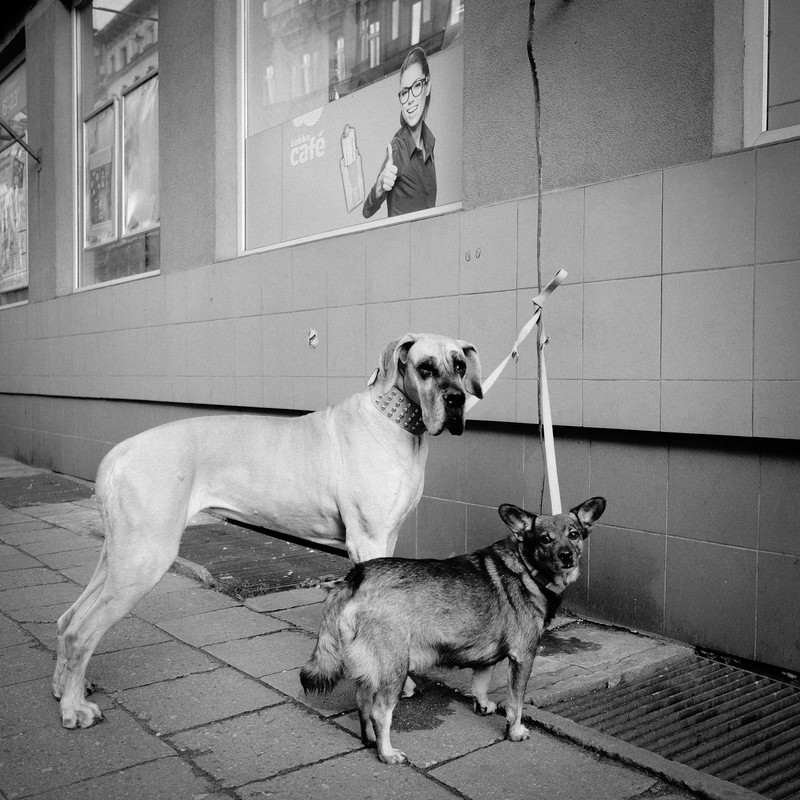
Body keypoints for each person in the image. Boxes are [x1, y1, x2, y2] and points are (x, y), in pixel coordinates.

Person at [362, 47, 437, 218]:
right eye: (404, 92)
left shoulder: (430, 144)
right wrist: (381, 185)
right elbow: (367, 210)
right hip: (403, 243)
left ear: (427, 86)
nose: (410, 99)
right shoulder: (398, 147)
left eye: (416, 85)